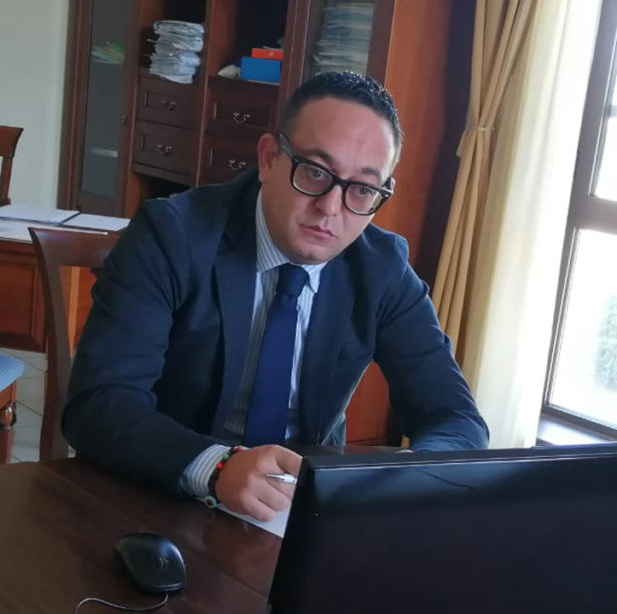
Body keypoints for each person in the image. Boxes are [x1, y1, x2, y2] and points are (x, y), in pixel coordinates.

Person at [62, 71, 489, 522]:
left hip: (298, 513)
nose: (330, 208)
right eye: (315, 172)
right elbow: (100, 402)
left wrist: (411, 480)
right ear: (268, 159)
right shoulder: (172, 235)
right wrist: (215, 466)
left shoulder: (381, 268)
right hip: (165, 492)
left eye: (363, 189)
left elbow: (456, 418)